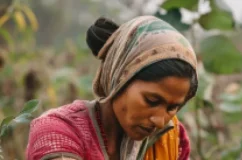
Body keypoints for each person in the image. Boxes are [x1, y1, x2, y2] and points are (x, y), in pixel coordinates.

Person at [26, 15, 198, 160]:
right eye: (152, 100)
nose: (160, 121)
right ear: (119, 79)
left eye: (172, 107)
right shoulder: (58, 132)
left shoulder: (172, 137)